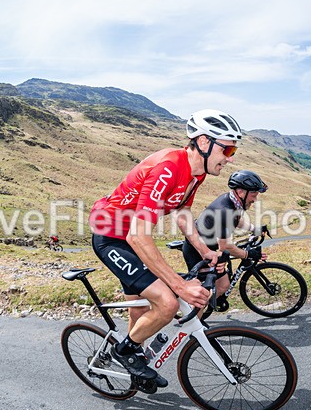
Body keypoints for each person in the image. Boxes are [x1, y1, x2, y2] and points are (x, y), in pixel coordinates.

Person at [89, 109, 241, 387]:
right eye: (227, 149)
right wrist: (180, 287)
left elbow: (182, 211)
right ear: (204, 143)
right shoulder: (169, 167)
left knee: (141, 305)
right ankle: (124, 352)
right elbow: (138, 237)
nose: (229, 158)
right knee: (168, 302)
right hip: (110, 236)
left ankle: (134, 360)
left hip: (131, 236)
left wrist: (205, 251)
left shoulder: (197, 174)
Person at [182, 170, 269, 311]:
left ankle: (202, 311)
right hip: (198, 251)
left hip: (209, 247)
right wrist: (249, 254)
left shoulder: (232, 201)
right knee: (204, 293)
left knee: (223, 284)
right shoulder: (225, 211)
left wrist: (254, 229)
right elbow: (226, 247)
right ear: (241, 192)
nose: (255, 199)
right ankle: (193, 322)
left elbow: (237, 220)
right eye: (254, 195)